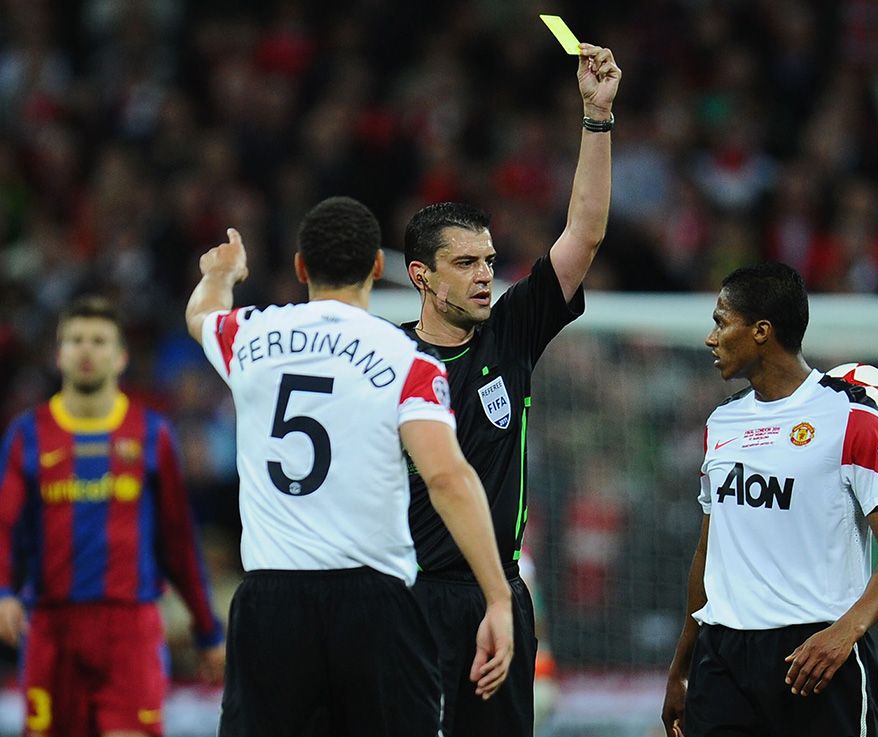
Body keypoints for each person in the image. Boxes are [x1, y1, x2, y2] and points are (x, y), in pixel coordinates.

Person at [184, 198, 513, 736]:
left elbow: (201, 315)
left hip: (273, 599)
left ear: (300, 267)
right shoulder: (408, 360)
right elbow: (447, 478)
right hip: (374, 602)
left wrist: (222, 273)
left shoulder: (249, 337)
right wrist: (497, 598)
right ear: (379, 269)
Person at [399, 42, 620, 736]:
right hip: (407, 597)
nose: (483, 275)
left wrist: (597, 119)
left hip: (499, 596)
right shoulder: (383, 356)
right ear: (421, 276)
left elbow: (583, 233)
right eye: (464, 263)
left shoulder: (511, 334)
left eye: (489, 261)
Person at [661, 262, 878, 737]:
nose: (710, 337)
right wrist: (682, 664)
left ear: (761, 331)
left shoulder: (852, 418)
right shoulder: (721, 423)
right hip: (722, 657)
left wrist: (847, 633)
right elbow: (709, 549)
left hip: (818, 653)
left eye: (722, 321)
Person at [0, 296, 225, 737]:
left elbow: (178, 541)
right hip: (51, 626)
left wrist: (207, 630)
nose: (87, 350)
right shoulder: (27, 435)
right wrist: (3, 588)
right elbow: (4, 525)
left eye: (99, 341)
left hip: (129, 629)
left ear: (120, 356)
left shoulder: (151, 433)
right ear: (58, 353)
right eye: (76, 340)